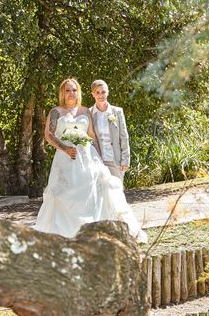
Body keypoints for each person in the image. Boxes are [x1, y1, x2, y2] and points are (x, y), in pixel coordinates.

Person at [33, 78, 146, 242]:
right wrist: (65, 148)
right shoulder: (56, 111)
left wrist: (99, 159)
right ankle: (66, 232)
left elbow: (92, 136)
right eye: (67, 90)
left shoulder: (85, 111)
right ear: (62, 93)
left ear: (78, 92)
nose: (71, 93)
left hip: (88, 158)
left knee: (99, 190)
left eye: (74, 90)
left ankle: (99, 228)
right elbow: (48, 135)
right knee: (62, 195)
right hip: (66, 160)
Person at [89, 79, 130, 182]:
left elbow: (124, 136)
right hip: (98, 161)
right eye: (97, 92)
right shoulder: (89, 113)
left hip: (116, 160)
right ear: (93, 94)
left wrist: (125, 160)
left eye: (103, 92)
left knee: (117, 193)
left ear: (108, 92)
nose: (100, 95)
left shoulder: (117, 112)